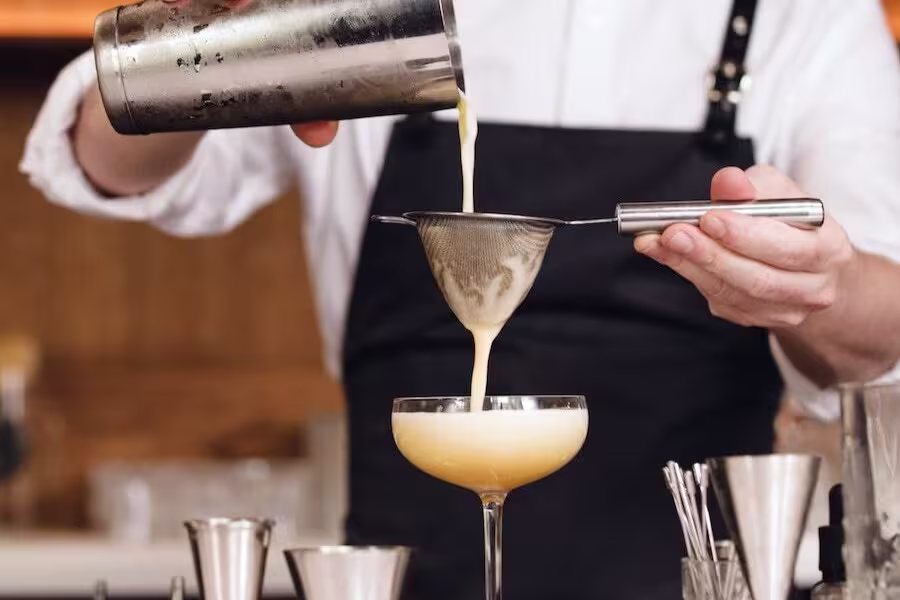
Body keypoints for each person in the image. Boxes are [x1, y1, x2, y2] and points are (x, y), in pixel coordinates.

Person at [20, 0, 900, 599]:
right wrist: (193, 35)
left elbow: (881, 328)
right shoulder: (355, 9)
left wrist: (823, 289)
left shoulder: (798, 13)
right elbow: (108, 168)